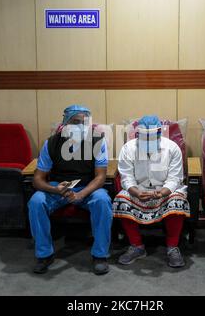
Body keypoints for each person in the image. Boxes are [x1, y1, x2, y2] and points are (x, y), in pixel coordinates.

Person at [28, 105, 112, 275]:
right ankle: (45, 254)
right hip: (59, 187)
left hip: (87, 188)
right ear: (65, 123)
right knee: (36, 201)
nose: (81, 126)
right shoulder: (51, 143)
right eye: (75, 122)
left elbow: (100, 177)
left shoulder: (97, 141)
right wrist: (57, 190)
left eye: (84, 122)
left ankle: (100, 255)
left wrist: (82, 193)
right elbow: (37, 180)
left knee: (103, 200)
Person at [112, 115, 190, 268]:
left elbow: (175, 178)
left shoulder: (172, 147)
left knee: (178, 200)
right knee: (120, 200)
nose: (148, 140)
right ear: (137, 134)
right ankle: (137, 246)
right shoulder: (128, 148)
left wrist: (163, 192)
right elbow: (126, 177)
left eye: (152, 137)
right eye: (144, 137)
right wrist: (135, 192)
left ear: (160, 133)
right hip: (138, 190)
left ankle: (172, 247)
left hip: (165, 190)